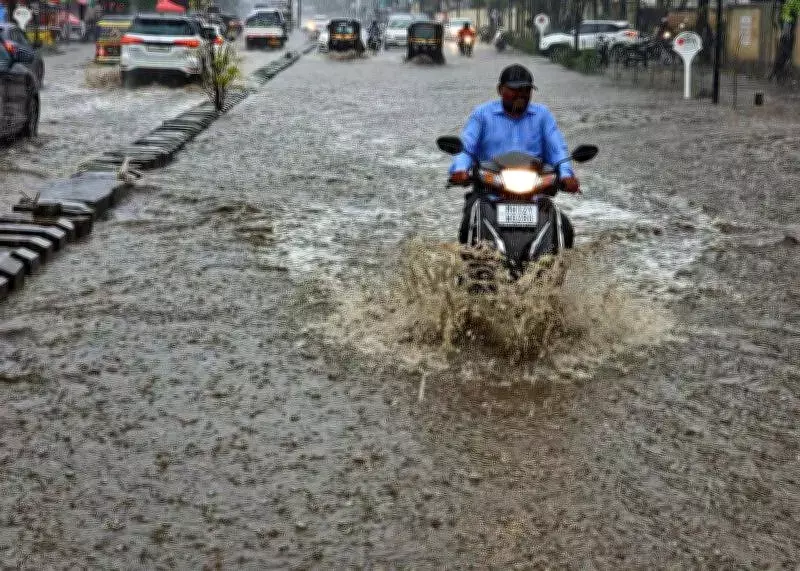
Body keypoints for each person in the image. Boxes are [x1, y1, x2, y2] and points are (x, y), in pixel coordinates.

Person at [449, 64, 580, 244]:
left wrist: (566, 175)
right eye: (514, 89)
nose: (521, 94)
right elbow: (466, 147)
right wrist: (460, 170)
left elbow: (558, 149)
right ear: (500, 90)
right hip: (490, 192)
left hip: (534, 194)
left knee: (565, 230)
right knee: (467, 229)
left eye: (526, 90)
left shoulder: (543, 116)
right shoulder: (482, 114)